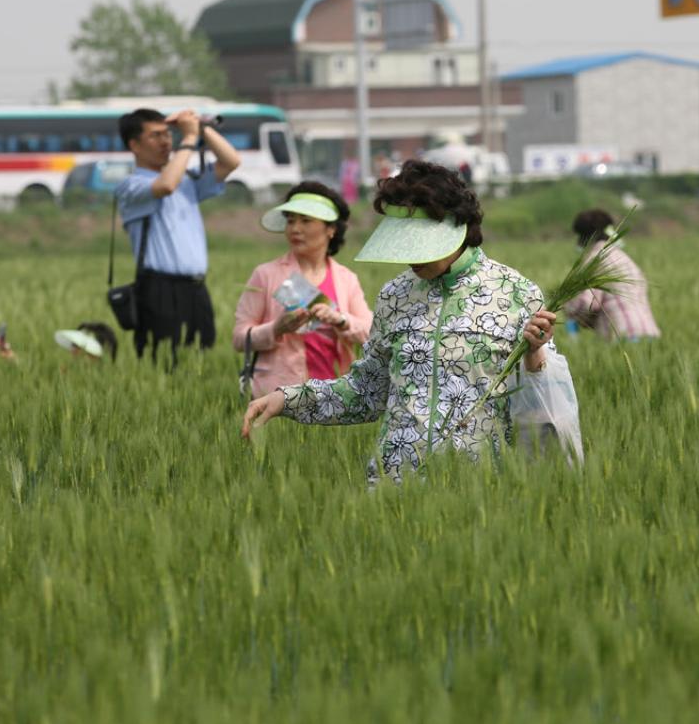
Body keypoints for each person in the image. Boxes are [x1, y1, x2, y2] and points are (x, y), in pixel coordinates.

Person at [240, 159, 558, 483]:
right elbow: (366, 391)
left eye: (418, 245)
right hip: (394, 484)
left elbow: (543, 398)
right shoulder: (395, 295)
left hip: (479, 487)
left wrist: (535, 355)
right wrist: (287, 399)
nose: (409, 257)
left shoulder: (516, 293)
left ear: (455, 228)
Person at [114, 108, 242, 365]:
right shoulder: (131, 186)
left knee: (201, 362)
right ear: (134, 145)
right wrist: (189, 139)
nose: (166, 142)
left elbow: (231, 162)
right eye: (156, 136)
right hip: (159, 289)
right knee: (162, 364)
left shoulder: (186, 180)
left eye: (168, 135)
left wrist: (200, 127)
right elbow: (165, 186)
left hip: (196, 288)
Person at [232, 182, 373, 397]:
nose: (295, 229)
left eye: (306, 221)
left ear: (331, 229)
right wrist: (276, 328)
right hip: (279, 395)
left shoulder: (346, 279)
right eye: (290, 221)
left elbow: (371, 332)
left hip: (336, 396)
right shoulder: (266, 274)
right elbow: (240, 339)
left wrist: (340, 319)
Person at [563, 208, 661, 340]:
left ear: (583, 237)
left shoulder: (594, 261)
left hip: (623, 335)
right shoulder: (623, 257)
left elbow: (587, 303)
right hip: (649, 332)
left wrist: (567, 308)